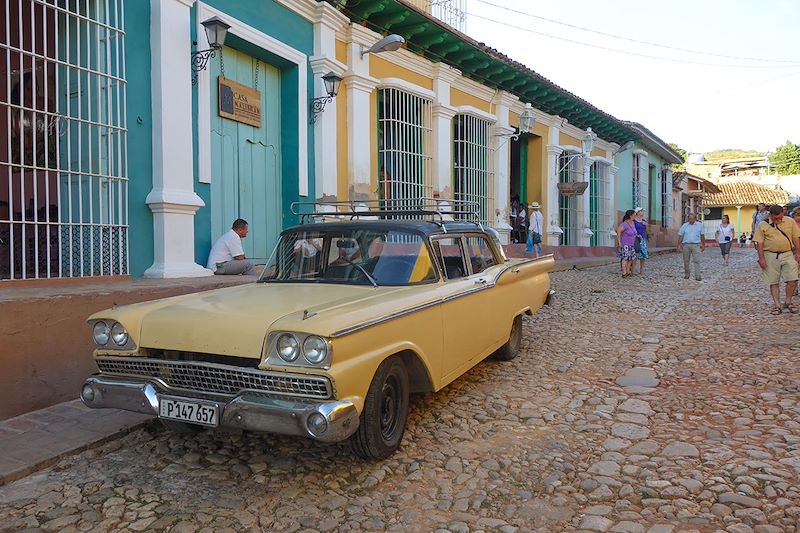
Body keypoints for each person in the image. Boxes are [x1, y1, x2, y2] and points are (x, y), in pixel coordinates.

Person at [753, 204, 800, 315]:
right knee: (773, 281)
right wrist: (761, 259)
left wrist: (798, 253)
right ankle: (777, 305)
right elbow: (759, 243)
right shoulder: (763, 225)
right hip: (770, 255)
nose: (778, 219)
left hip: (788, 254)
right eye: (775, 218)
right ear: (771, 215)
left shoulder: (790, 222)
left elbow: (795, 238)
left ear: (783, 214)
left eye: (780, 217)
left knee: (793, 279)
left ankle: (788, 302)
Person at [678, 212, 705, 281]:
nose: (691, 220)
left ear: (695, 219)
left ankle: (698, 275)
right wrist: (679, 245)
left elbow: (702, 235)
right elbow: (680, 235)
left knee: (697, 260)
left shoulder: (699, 225)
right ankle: (687, 274)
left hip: (696, 245)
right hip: (686, 245)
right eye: (689, 219)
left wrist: (703, 244)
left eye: (692, 219)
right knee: (686, 261)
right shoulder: (684, 226)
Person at [616, 210, 637, 278]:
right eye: (634, 215)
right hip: (625, 244)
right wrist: (619, 242)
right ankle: (624, 272)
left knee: (631, 258)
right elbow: (618, 231)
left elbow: (634, 232)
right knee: (625, 258)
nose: (635, 216)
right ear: (630, 216)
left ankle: (628, 271)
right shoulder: (624, 224)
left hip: (631, 244)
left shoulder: (633, 223)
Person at [633, 207, 649, 275]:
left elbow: (647, 231)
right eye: (641, 211)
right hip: (636, 239)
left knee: (643, 255)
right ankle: (633, 269)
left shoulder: (644, 221)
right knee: (635, 254)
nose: (642, 212)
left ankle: (641, 269)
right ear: (637, 212)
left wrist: (647, 226)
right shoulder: (633, 221)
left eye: (642, 211)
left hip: (643, 239)